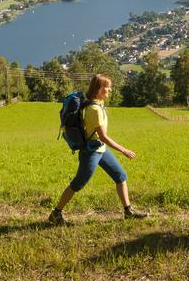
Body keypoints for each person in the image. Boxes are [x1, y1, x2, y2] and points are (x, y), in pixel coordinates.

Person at [49, 74, 148, 225]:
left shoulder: (98, 104)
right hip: (91, 152)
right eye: (107, 87)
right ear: (99, 89)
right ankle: (56, 214)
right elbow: (104, 137)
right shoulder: (94, 109)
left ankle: (128, 211)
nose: (110, 90)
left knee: (121, 176)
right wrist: (124, 150)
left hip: (101, 150)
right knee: (78, 183)